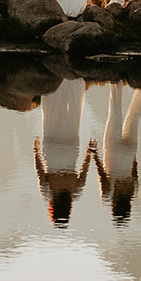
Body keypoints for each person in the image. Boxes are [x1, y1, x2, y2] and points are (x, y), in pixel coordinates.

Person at [34, 77, 95, 227]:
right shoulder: (48, 194)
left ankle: (70, 80)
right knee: (51, 113)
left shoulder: (74, 194)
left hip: (69, 152)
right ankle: (55, 82)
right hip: (52, 152)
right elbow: (40, 172)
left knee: (72, 115)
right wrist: (35, 152)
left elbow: (84, 171)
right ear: (53, 211)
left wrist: (89, 152)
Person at [92, 81, 141, 223]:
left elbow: (135, 170)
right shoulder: (108, 195)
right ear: (114, 208)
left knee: (134, 118)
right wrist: (94, 153)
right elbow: (102, 174)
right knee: (115, 111)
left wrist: (132, 156)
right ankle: (116, 80)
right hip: (114, 153)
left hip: (129, 153)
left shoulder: (133, 192)